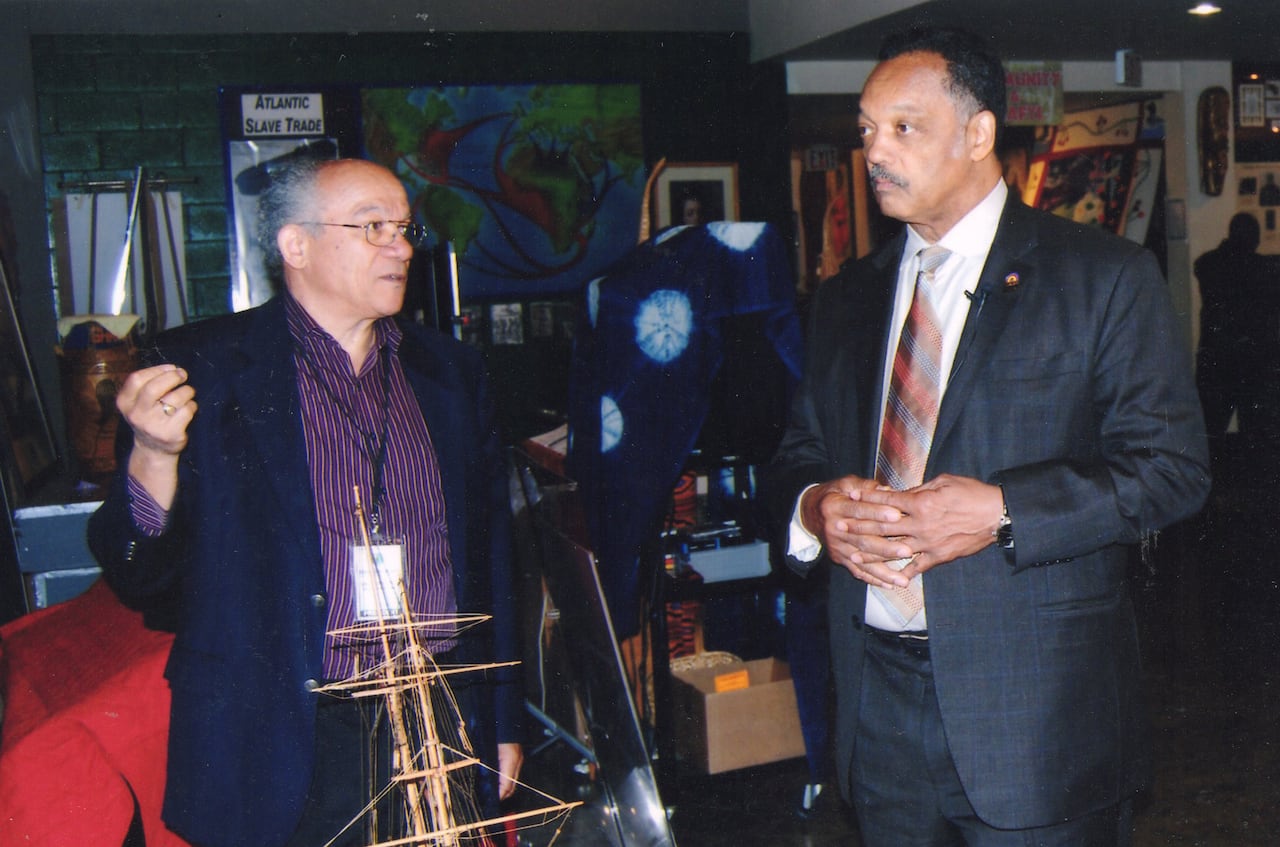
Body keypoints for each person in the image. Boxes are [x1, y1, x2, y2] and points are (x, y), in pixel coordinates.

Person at [766, 27, 1209, 847]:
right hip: (877, 707)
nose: (874, 151)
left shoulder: (1101, 277)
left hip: (1036, 714)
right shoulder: (845, 300)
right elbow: (800, 454)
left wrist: (1003, 509)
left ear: (978, 134)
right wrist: (817, 506)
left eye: (904, 127)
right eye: (866, 129)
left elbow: (1173, 468)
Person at [88, 157, 524, 847]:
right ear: (296, 246)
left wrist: (503, 719)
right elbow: (139, 573)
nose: (402, 246)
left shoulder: (451, 371)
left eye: (404, 227)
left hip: (439, 714)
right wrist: (153, 454)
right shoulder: (201, 366)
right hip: (286, 728)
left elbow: (492, 554)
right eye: (373, 226)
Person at [1194, 211, 1280, 460]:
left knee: (1211, 433)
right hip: (1253, 364)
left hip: (1217, 361)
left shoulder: (1208, 264)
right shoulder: (1265, 269)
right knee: (1256, 436)